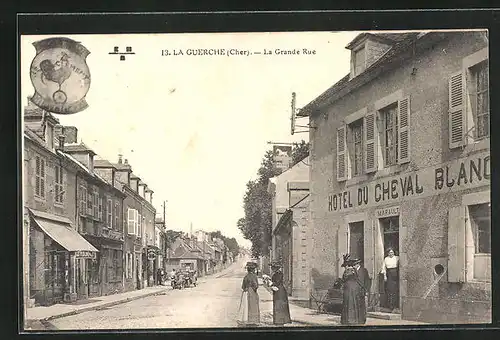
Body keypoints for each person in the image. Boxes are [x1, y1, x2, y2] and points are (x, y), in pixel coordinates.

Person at [340, 254, 371, 325]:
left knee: (360, 307)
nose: (354, 265)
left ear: (358, 264)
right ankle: (354, 320)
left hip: (360, 290)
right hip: (354, 292)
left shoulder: (363, 270)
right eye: (353, 264)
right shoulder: (351, 271)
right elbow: (344, 279)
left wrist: (366, 290)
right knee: (354, 306)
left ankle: (361, 320)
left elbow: (367, 281)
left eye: (355, 264)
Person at [237, 262, 260, 326]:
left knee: (245, 305)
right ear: (253, 269)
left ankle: (245, 319)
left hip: (245, 292)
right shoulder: (254, 276)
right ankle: (252, 320)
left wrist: (246, 289)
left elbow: (242, 286)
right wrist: (254, 290)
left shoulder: (246, 276)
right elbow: (256, 285)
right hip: (252, 292)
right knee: (253, 305)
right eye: (254, 269)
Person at [270, 261, 291, 326]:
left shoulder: (279, 274)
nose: (271, 268)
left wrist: (270, 283)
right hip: (278, 291)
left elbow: (277, 282)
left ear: (275, 268)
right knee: (278, 305)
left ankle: (280, 320)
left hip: (280, 291)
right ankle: (278, 320)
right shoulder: (276, 274)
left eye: (272, 267)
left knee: (279, 305)